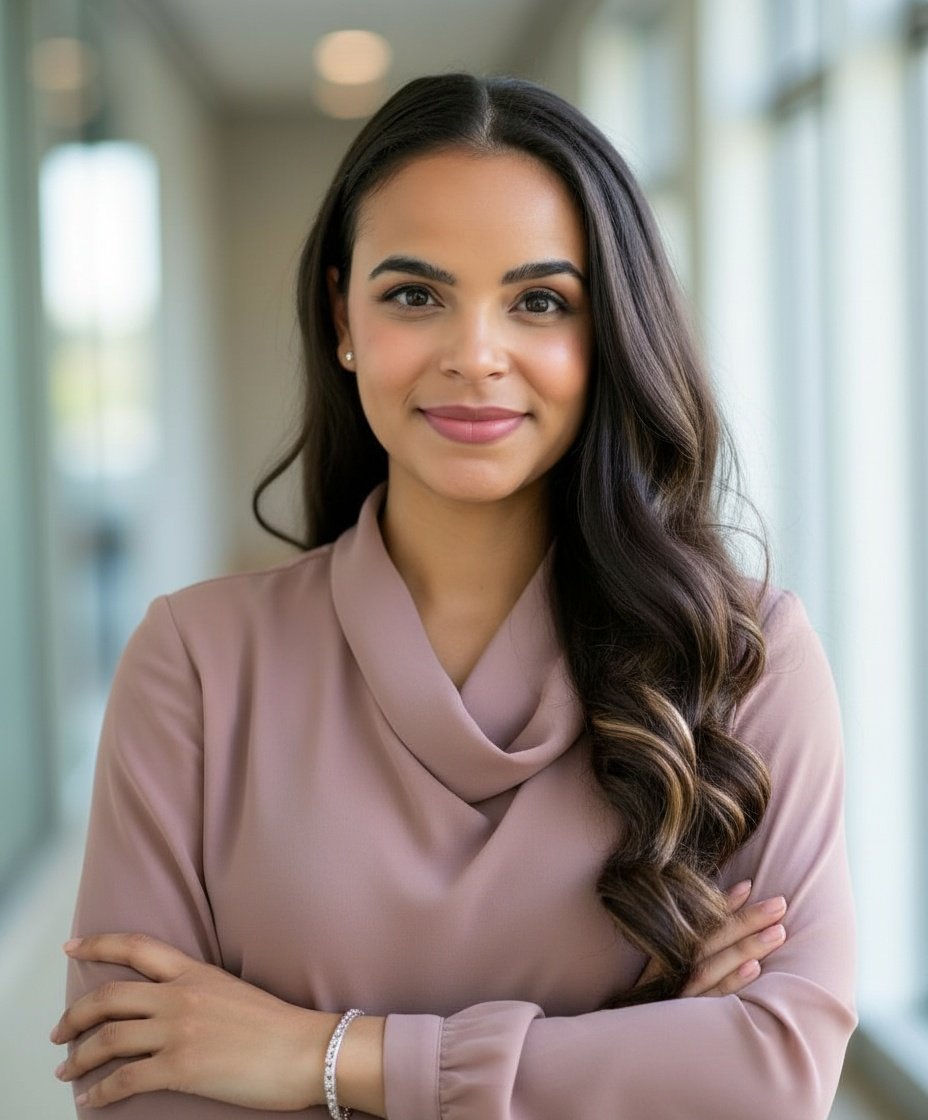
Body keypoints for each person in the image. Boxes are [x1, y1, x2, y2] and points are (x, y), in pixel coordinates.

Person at [51, 73, 856, 1118]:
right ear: (342, 317)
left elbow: (774, 1073)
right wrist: (626, 1058)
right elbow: (136, 1084)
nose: (475, 355)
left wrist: (322, 1057)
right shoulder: (195, 663)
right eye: (414, 294)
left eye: (539, 301)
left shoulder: (742, 654)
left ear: (607, 331)